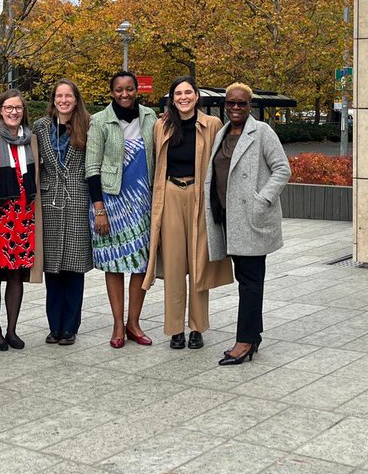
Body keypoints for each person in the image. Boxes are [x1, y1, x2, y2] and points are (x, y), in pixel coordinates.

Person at [205, 83, 290, 365]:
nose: (236, 108)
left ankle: (244, 341)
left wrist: (261, 199)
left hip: (251, 219)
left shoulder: (262, 132)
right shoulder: (222, 133)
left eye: (242, 104)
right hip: (228, 219)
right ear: (225, 105)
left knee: (251, 282)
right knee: (246, 279)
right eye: (231, 103)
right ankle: (253, 335)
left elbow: (282, 168)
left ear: (250, 105)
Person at [145, 76, 231, 350]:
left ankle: (197, 327)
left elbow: (221, 163)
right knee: (173, 265)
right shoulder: (162, 125)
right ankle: (174, 330)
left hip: (200, 197)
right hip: (170, 194)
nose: (183, 97)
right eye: (178, 93)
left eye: (188, 92)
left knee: (198, 265)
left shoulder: (212, 124)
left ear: (196, 96)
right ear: (172, 98)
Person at [85, 71, 158, 348]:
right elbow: (91, 168)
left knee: (141, 264)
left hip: (143, 202)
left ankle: (134, 323)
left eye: (129, 89)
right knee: (114, 263)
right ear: (112, 92)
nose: (124, 94)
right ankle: (117, 324)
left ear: (137, 90)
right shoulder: (99, 120)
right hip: (111, 202)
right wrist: (99, 209)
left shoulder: (150, 117)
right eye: (119, 90)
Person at [0, 90, 43, 351]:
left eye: (19, 108)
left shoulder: (31, 140)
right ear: (0, 110)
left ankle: (12, 330)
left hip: (24, 217)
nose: (14, 112)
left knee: (16, 275)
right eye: (9, 107)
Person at [32, 80, 93, 345]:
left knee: (74, 267)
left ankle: (70, 327)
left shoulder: (88, 125)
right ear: (53, 99)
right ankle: (53, 325)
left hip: (78, 199)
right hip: (49, 201)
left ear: (76, 99)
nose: (64, 100)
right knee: (52, 268)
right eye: (59, 95)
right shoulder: (40, 127)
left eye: (68, 95)